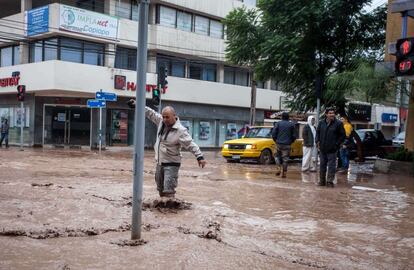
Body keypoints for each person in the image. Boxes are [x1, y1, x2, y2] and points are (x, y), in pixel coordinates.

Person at [128, 100, 206, 197]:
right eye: (163, 116)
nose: (164, 119)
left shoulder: (180, 131)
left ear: (174, 116)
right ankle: (163, 210)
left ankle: (170, 209)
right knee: (160, 189)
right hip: (159, 163)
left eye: (167, 117)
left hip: (172, 165)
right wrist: (137, 105)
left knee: (168, 190)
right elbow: (150, 113)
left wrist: (200, 157)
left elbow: (191, 144)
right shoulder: (161, 122)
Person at [316, 108, 345, 187]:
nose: (332, 114)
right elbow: (317, 133)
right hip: (322, 149)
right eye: (330, 113)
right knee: (322, 165)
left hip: (332, 149)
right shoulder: (321, 123)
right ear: (326, 114)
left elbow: (342, 136)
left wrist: (336, 144)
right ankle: (322, 181)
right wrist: (317, 141)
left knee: (331, 166)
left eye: (333, 113)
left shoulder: (338, 123)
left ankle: (329, 181)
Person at [272, 112, 296, 178]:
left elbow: (273, 133)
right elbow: (294, 136)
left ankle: (278, 167)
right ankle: (284, 173)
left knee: (276, 156)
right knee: (285, 159)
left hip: (278, 143)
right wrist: (291, 142)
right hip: (287, 144)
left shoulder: (278, 124)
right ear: (288, 117)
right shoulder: (291, 125)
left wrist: (276, 140)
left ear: (282, 117)